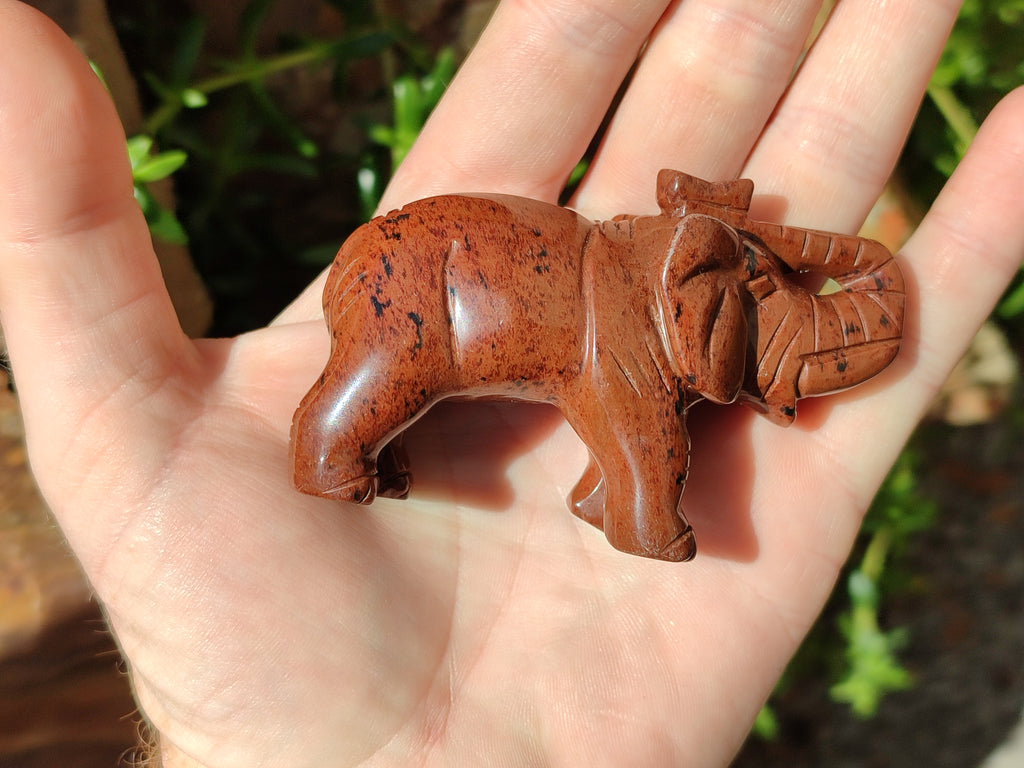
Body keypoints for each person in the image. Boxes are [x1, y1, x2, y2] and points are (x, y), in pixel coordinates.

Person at [1, 0, 1021, 765]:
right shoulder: (639, 330)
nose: (778, 342)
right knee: (392, 370)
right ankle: (329, 450)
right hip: (439, 286)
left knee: (430, 377)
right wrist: (653, 522)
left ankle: (420, 462)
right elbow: (645, 450)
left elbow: (638, 421)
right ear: (700, 295)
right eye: (770, 320)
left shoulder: (649, 300)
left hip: (464, 270)